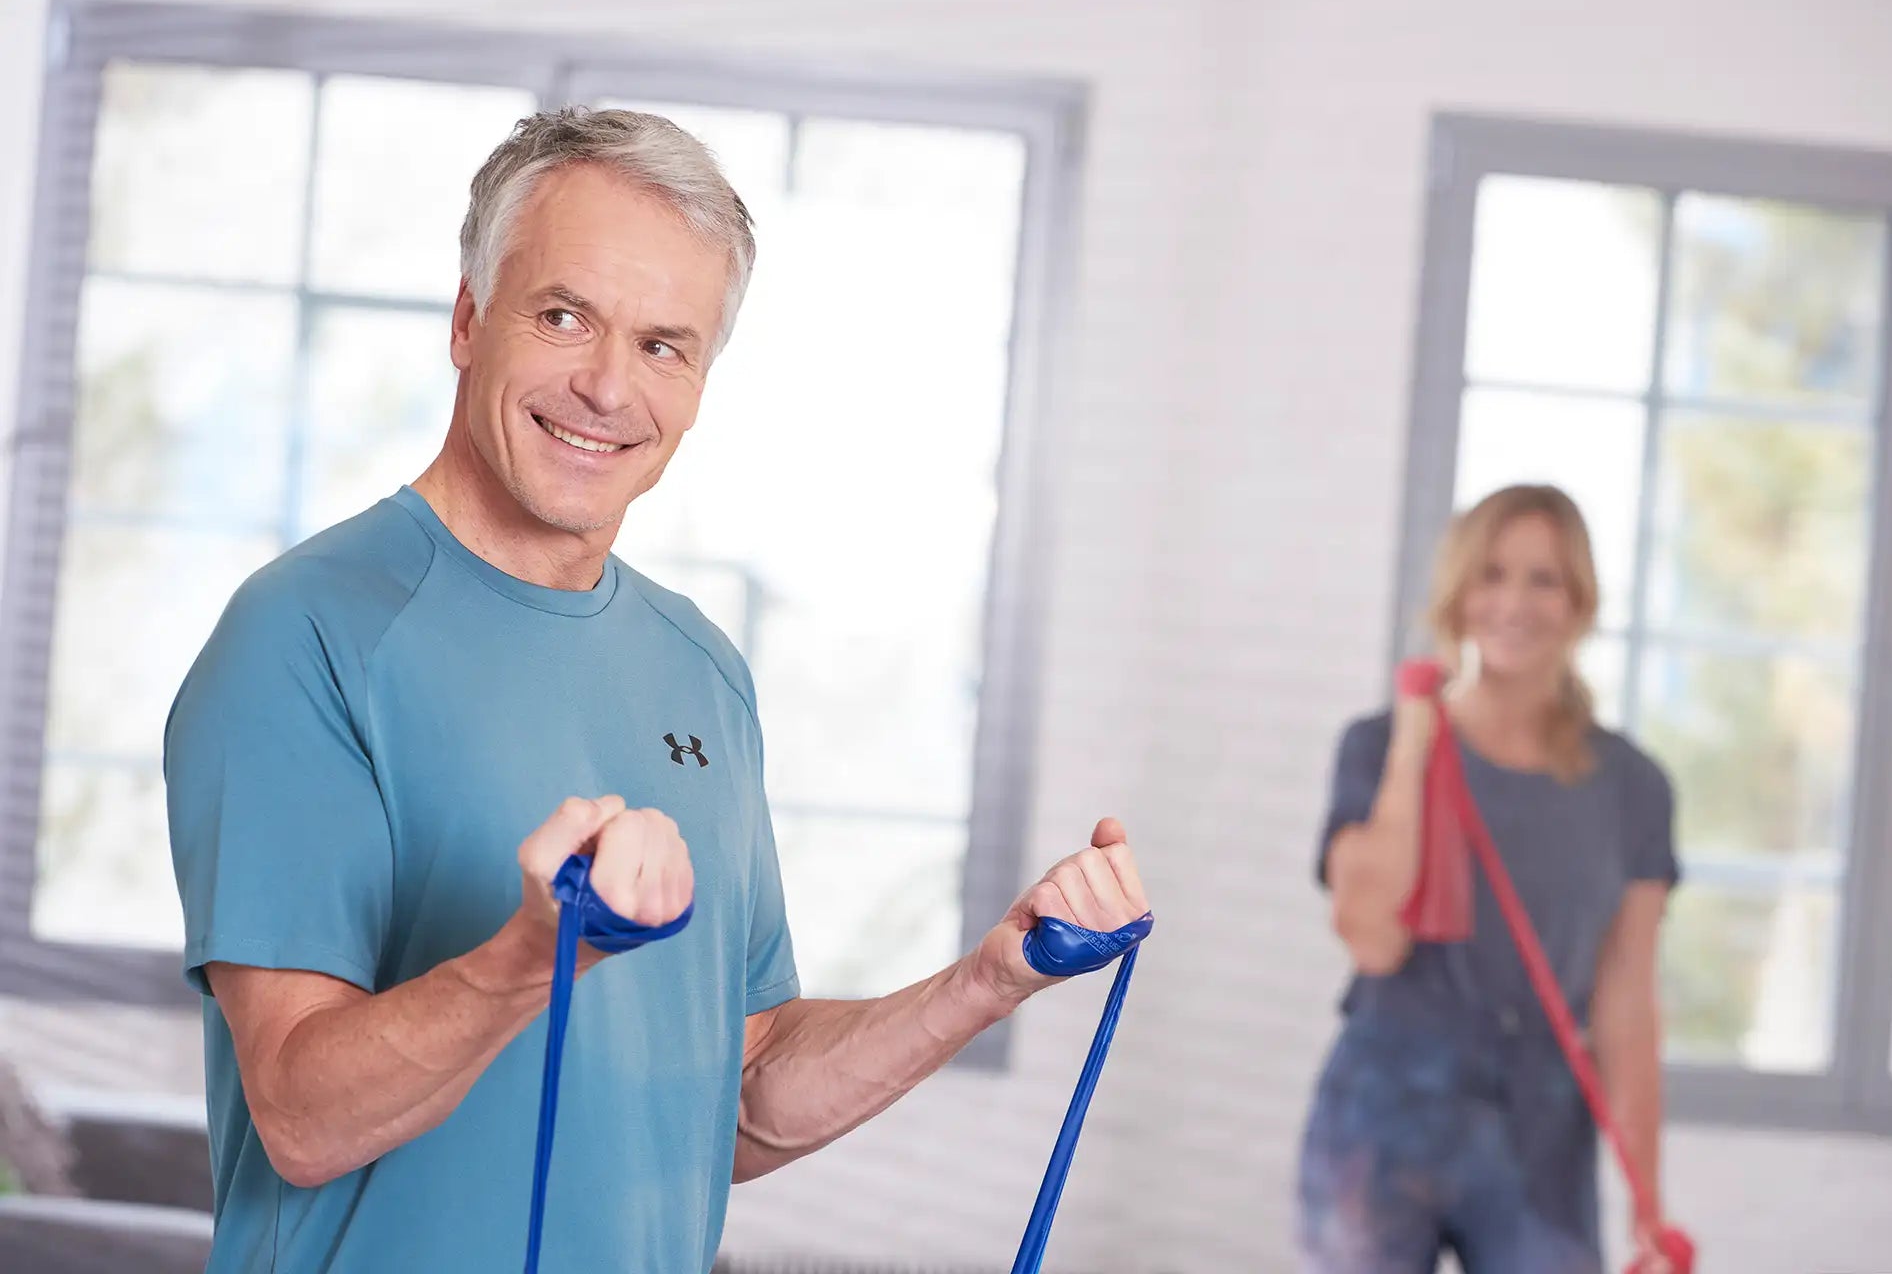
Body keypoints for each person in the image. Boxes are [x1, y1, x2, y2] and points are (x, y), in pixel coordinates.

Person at [163, 107, 1151, 1273]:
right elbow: (302, 1114)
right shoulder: (306, 631)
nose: (605, 387)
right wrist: (532, 955)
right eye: (564, 315)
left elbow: (737, 1096)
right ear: (470, 318)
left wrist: (990, 979)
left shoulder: (700, 669)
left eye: (663, 345)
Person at [1297, 484, 1678, 1274]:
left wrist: (1647, 1197)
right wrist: (1414, 745)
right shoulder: (1376, 748)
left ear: (1579, 600)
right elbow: (1372, 940)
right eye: (1492, 574)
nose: (1514, 602)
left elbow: (1626, 1000)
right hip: (1386, 1101)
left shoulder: (1632, 785)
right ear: (1458, 592)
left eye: (1544, 579)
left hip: (1543, 1130)